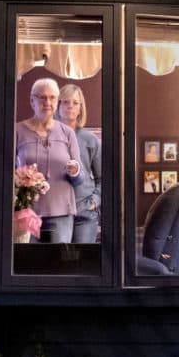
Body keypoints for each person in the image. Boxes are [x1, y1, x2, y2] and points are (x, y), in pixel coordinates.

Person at [14, 76, 82, 242]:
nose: (47, 102)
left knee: (58, 265)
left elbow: (80, 179)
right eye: (42, 97)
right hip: (26, 211)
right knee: (25, 264)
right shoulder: (17, 130)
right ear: (32, 101)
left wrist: (75, 171)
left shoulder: (68, 133)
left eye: (52, 98)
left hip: (61, 212)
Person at [59, 82, 101, 244]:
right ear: (58, 105)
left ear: (81, 108)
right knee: (55, 264)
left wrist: (94, 202)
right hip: (55, 214)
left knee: (81, 265)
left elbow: (103, 178)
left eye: (75, 103)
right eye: (65, 102)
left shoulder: (90, 139)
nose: (70, 106)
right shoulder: (46, 137)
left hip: (85, 213)